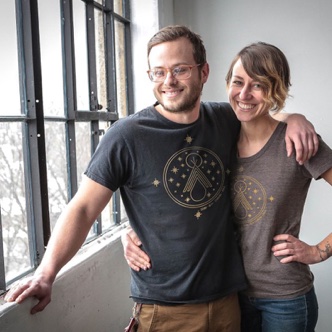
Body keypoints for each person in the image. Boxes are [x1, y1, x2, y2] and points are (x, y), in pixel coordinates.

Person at [5, 26, 318, 332]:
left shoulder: (225, 120)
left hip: (229, 304)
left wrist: (295, 118)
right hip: (165, 310)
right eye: (158, 72)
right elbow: (84, 208)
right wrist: (46, 274)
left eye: (180, 69)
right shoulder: (126, 136)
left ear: (203, 72)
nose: (169, 81)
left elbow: (261, 109)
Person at [122, 39, 332, 332]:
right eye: (237, 82)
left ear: (276, 90)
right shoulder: (220, 137)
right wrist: (132, 232)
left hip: (285, 300)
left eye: (258, 85)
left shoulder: (297, 142)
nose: (244, 94)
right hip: (232, 297)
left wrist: (319, 251)